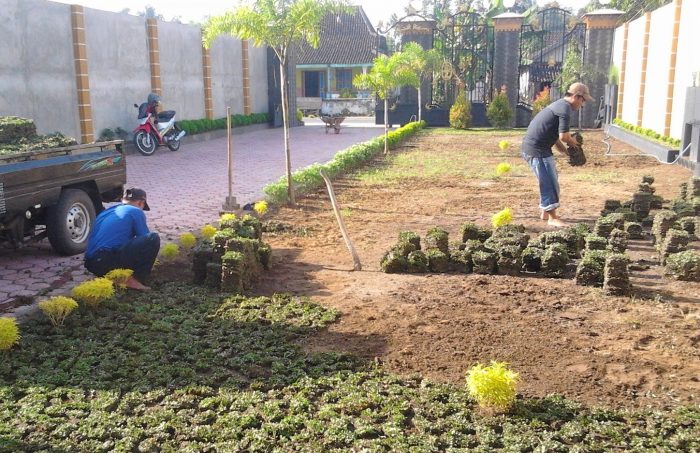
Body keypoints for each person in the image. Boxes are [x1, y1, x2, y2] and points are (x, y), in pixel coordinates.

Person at [521, 82, 592, 227]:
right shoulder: (564, 109)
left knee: (550, 178)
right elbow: (564, 137)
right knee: (549, 181)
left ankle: (545, 211)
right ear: (576, 97)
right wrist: (575, 145)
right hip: (537, 150)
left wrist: (567, 153)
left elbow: (555, 138)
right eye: (583, 100)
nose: (583, 104)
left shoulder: (560, 105)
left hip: (537, 148)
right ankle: (552, 217)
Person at [84, 188, 160, 290]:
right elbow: (145, 238)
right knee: (152, 238)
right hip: (105, 260)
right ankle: (136, 279)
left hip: (91, 263)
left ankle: (112, 276)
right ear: (141, 203)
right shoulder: (135, 211)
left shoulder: (107, 212)